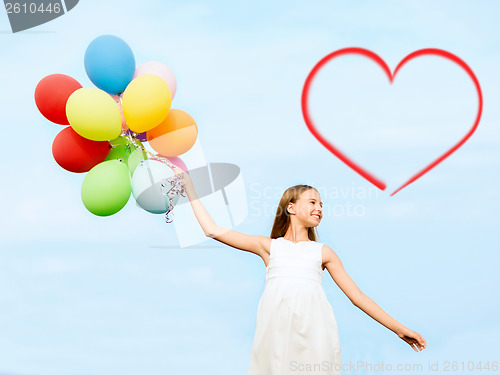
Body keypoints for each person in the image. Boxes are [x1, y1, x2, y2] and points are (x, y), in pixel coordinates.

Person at [173, 167, 426, 374]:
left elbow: (357, 297)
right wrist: (189, 186)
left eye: (322, 205)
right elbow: (212, 230)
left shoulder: (323, 253)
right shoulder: (269, 247)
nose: (320, 208)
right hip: (275, 339)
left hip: (316, 338)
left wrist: (398, 328)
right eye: (313, 202)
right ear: (291, 208)